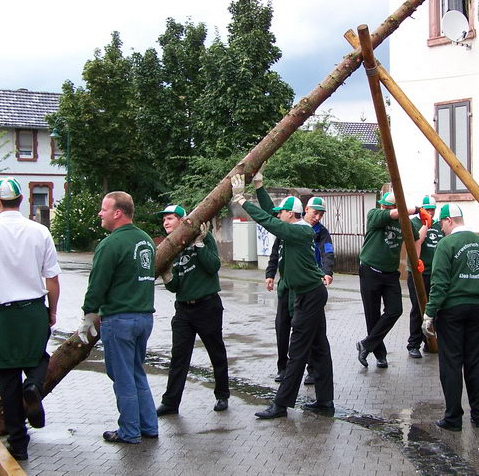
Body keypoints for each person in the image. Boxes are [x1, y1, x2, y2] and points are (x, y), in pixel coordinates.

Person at [0, 178, 60, 460]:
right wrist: (51, 312)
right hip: (32, 309)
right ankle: (32, 385)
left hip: (0, 313)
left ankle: (19, 443)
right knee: (39, 358)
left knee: (6, 377)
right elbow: (52, 278)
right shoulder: (40, 231)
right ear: (23, 200)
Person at [231, 173, 334, 419]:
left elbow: (269, 221)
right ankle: (325, 401)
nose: (278, 215)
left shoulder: (300, 231)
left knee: (297, 352)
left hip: (309, 296)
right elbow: (270, 214)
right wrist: (259, 187)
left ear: (290, 214)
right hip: (308, 294)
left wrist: (242, 200)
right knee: (319, 348)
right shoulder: (292, 227)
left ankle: (281, 405)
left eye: (282, 213)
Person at [77, 191, 159, 443]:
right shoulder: (145, 240)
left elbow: (98, 283)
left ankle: (130, 431)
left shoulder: (111, 243)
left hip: (119, 319)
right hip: (144, 318)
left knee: (122, 376)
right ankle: (149, 426)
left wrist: (89, 314)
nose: (100, 213)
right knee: (136, 372)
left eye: (104, 209)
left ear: (118, 213)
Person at [422, 204, 479, 431]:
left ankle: (453, 418)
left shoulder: (446, 244)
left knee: (451, 364)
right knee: (474, 361)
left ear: (449, 221)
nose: (440, 229)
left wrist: (429, 312)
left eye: (441, 223)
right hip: (476, 309)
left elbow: (439, 283)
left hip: (451, 311)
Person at [155, 204, 230, 415]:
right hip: (183, 311)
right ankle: (170, 402)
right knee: (179, 356)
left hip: (207, 306)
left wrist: (199, 245)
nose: (166, 223)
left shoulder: (203, 237)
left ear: (182, 220)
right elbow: (175, 287)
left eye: (170, 218)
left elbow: (213, 266)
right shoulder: (171, 248)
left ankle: (222, 395)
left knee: (216, 352)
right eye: (164, 220)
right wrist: (167, 275)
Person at [266, 195, 334, 384]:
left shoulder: (321, 232)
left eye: (321, 214)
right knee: (282, 326)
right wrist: (270, 274)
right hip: (287, 286)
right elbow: (276, 252)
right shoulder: (287, 228)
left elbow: (328, 252)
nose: (317, 217)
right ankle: (283, 367)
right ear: (306, 210)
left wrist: (327, 272)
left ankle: (311, 370)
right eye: (315, 213)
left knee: (309, 331)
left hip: (309, 288)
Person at [356, 192, 418, 368]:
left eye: (387, 205)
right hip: (370, 271)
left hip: (390, 274)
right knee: (372, 315)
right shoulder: (374, 215)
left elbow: (415, 237)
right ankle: (380, 355)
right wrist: (414, 210)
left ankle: (365, 345)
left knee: (395, 310)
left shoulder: (403, 221)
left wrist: (425, 224)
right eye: (383, 204)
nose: (382, 207)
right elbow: (390, 215)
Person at [406, 195, 443, 358]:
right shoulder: (414, 223)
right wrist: (426, 224)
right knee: (418, 308)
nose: (430, 212)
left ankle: (431, 342)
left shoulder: (439, 225)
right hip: (418, 273)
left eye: (432, 210)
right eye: (426, 209)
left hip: (435, 274)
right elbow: (417, 241)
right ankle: (413, 344)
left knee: (434, 309)